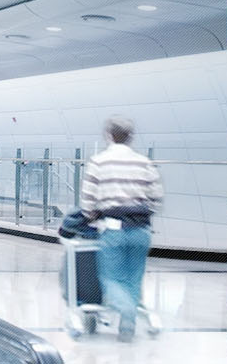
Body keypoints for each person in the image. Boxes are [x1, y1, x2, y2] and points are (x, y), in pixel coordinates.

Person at [79, 116, 163, 342]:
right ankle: (127, 326)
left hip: (113, 230)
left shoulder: (99, 162)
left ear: (108, 135)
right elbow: (156, 199)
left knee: (111, 278)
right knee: (134, 279)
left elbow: (88, 201)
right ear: (130, 137)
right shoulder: (144, 163)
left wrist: (91, 217)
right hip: (141, 230)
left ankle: (126, 310)